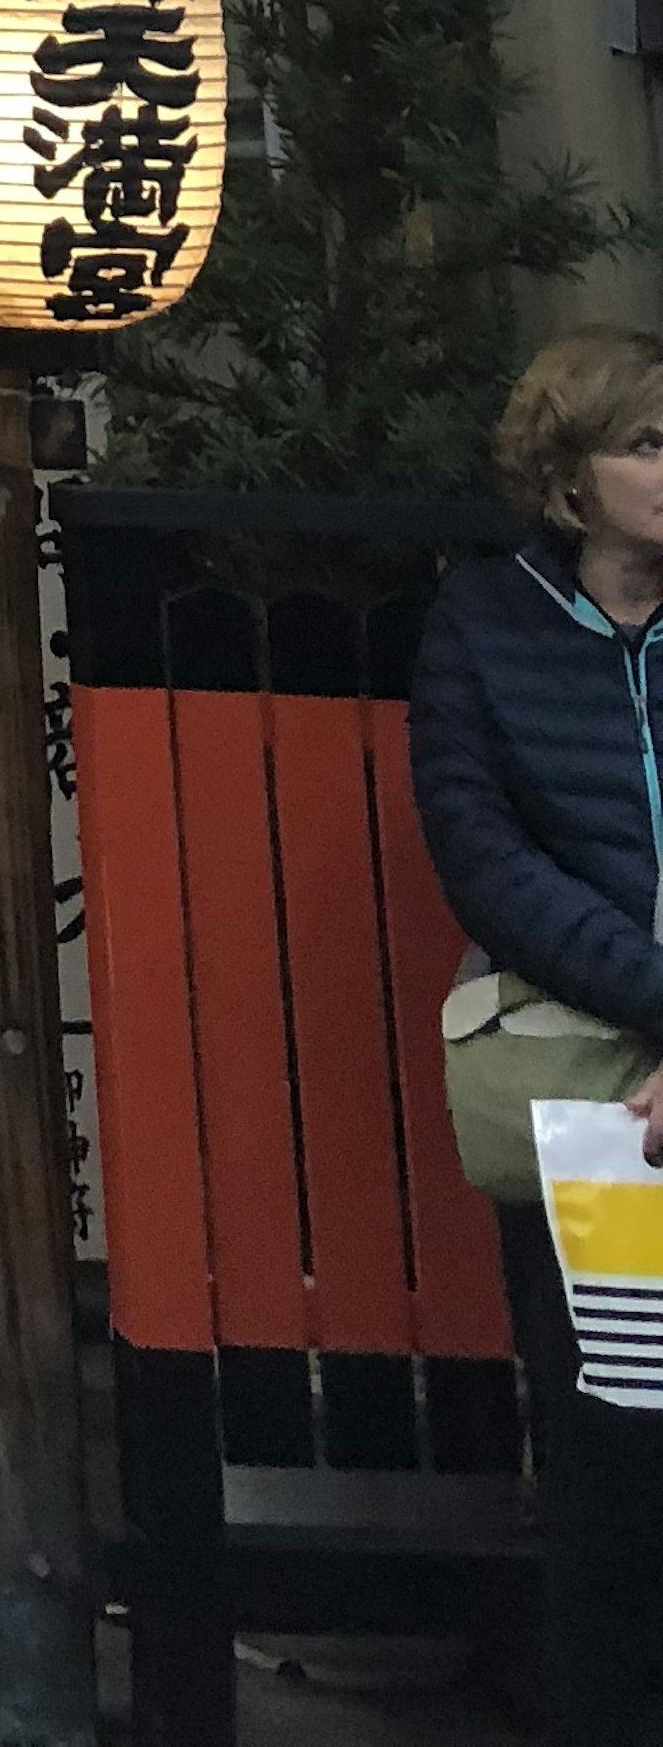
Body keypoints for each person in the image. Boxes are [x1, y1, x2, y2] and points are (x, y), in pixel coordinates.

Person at [410, 322, 663, 1746]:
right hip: (584, 1103)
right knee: (608, 1449)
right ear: (570, 477)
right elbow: (484, 856)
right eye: (647, 445)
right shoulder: (487, 625)